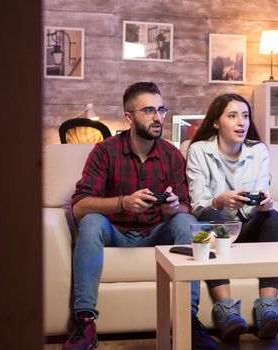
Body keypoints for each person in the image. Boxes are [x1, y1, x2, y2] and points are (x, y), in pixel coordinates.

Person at [63, 82, 217, 350]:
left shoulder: (171, 154)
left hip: (157, 234)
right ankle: (84, 323)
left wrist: (173, 208)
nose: (158, 118)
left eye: (161, 110)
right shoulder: (105, 151)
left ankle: (187, 320)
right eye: (149, 111)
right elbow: (79, 207)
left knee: (186, 221)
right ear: (129, 116)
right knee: (90, 222)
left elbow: (185, 207)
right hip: (116, 233)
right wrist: (124, 202)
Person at [185, 93, 278, 342]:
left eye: (245, 116)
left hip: (247, 223)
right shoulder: (198, 150)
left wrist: (263, 204)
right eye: (232, 116)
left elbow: (260, 195)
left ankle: (269, 307)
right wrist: (218, 201)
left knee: (272, 217)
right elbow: (198, 205)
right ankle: (226, 310)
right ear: (216, 122)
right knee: (205, 225)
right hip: (216, 228)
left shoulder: (259, 150)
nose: (241, 122)